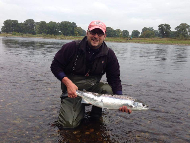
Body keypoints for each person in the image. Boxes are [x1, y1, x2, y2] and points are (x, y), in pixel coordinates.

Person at [51, 20, 131, 128]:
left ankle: (95, 116)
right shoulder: (72, 47)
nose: (96, 36)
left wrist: (121, 100)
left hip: (93, 88)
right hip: (73, 90)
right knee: (69, 125)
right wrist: (67, 83)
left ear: (104, 36)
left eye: (100, 33)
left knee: (108, 89)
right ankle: (76, 108)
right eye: (93, 32)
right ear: (87, 33)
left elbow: (114, 79)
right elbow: (55, 66)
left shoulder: (109, 54)